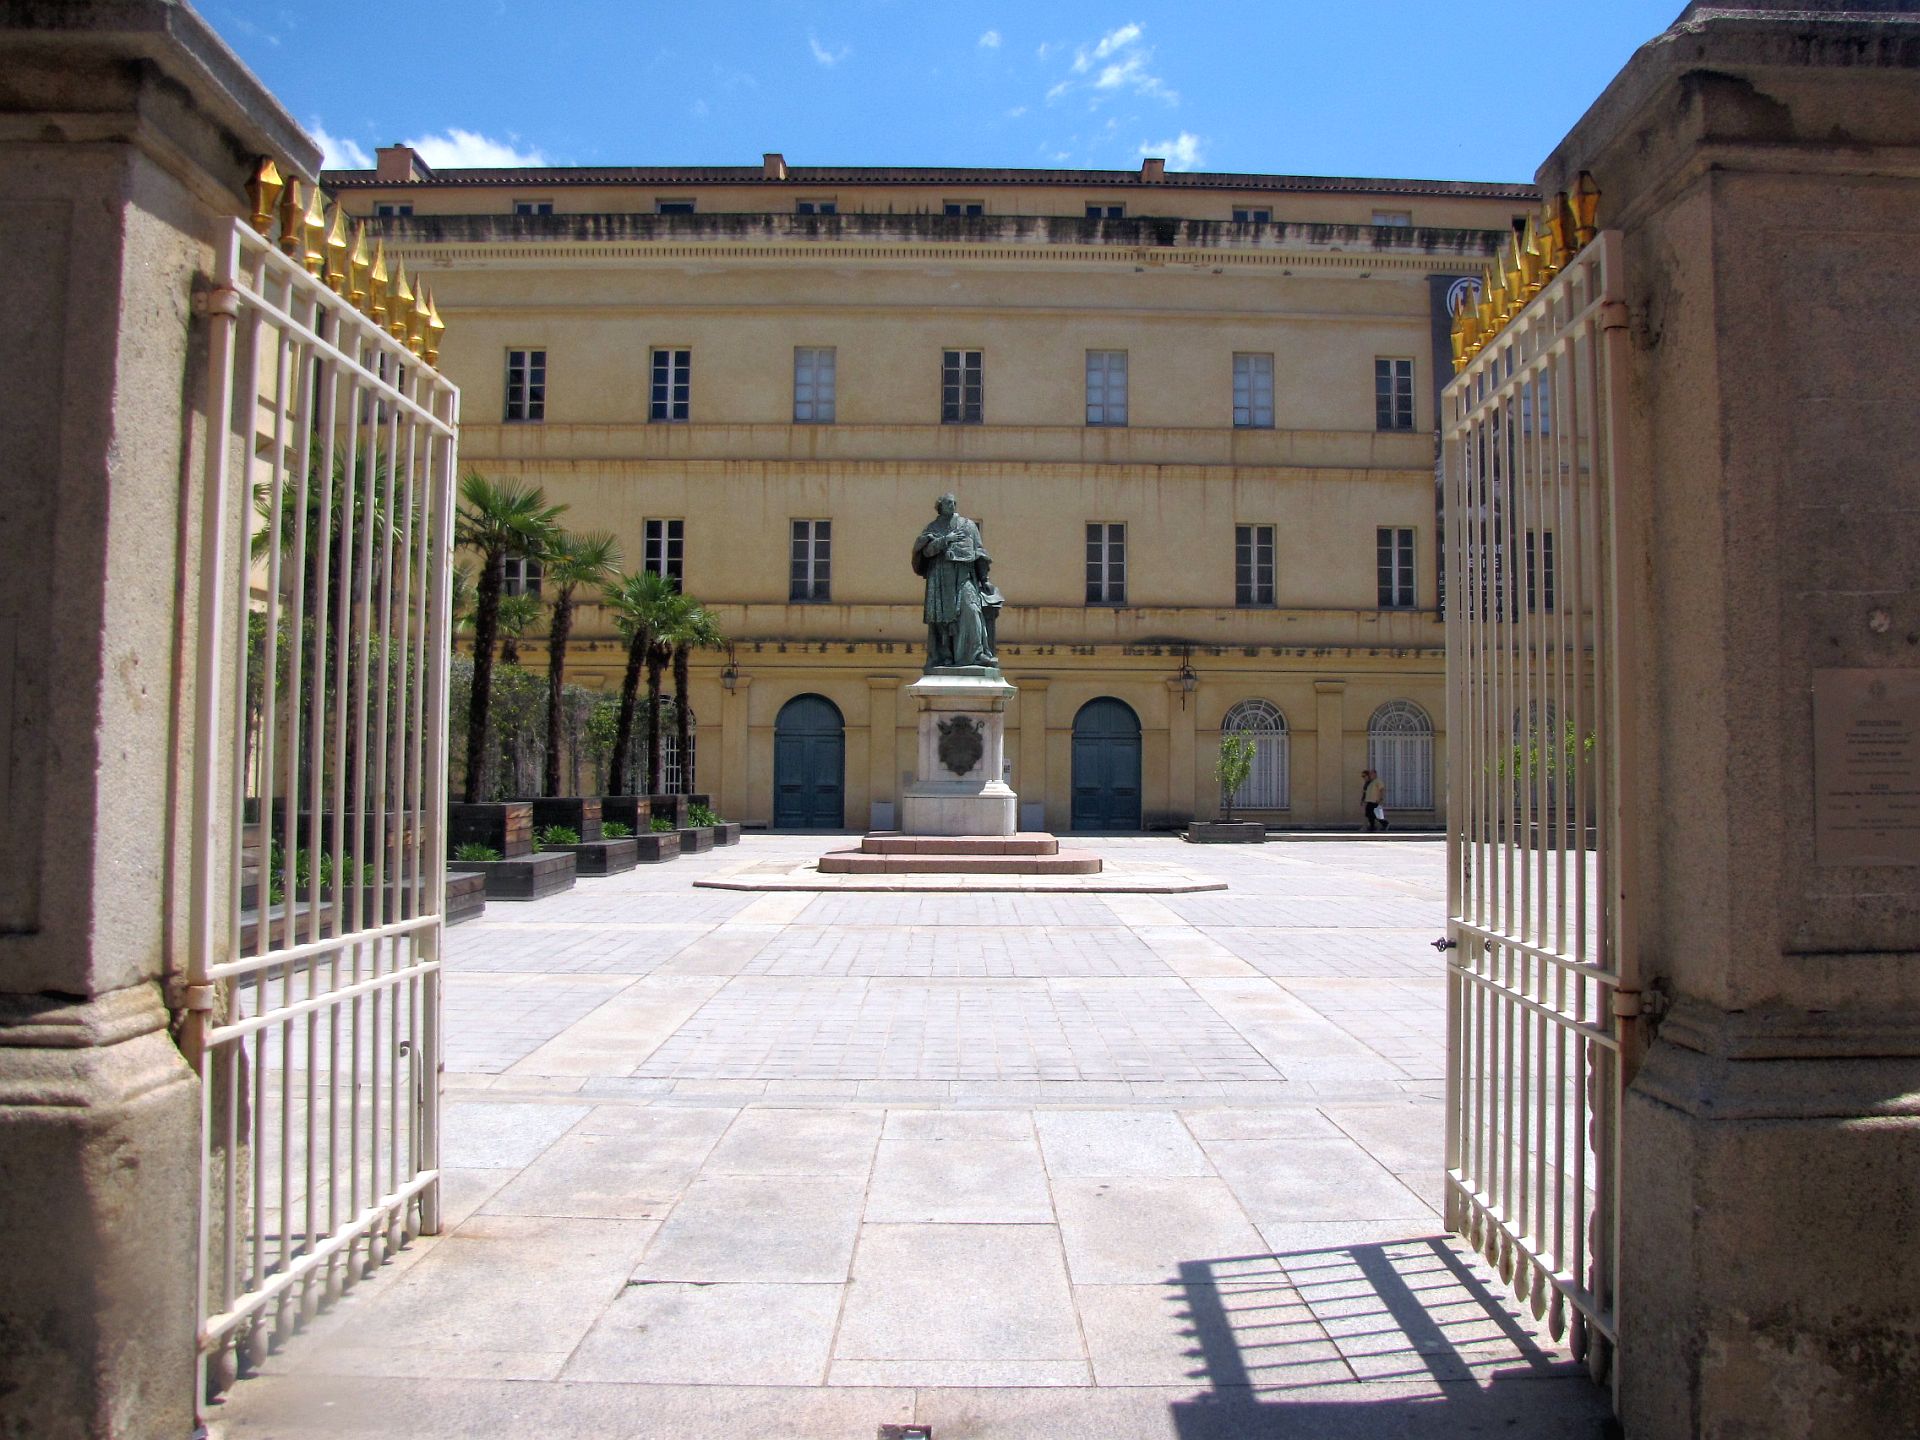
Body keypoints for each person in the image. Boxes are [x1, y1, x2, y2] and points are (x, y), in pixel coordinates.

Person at [910, 492, 996, 670]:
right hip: (941, 577)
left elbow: (979, 552)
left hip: (964, 575)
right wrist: (945, 541)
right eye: (948, 503)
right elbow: (925, 551)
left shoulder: (968, 525)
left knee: (972, 610)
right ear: (940, 506)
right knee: (943, 619)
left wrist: (984, 579)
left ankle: (976, 654)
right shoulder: (933, 528)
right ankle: (945, 655)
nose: (952, 505)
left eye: (954, 503)